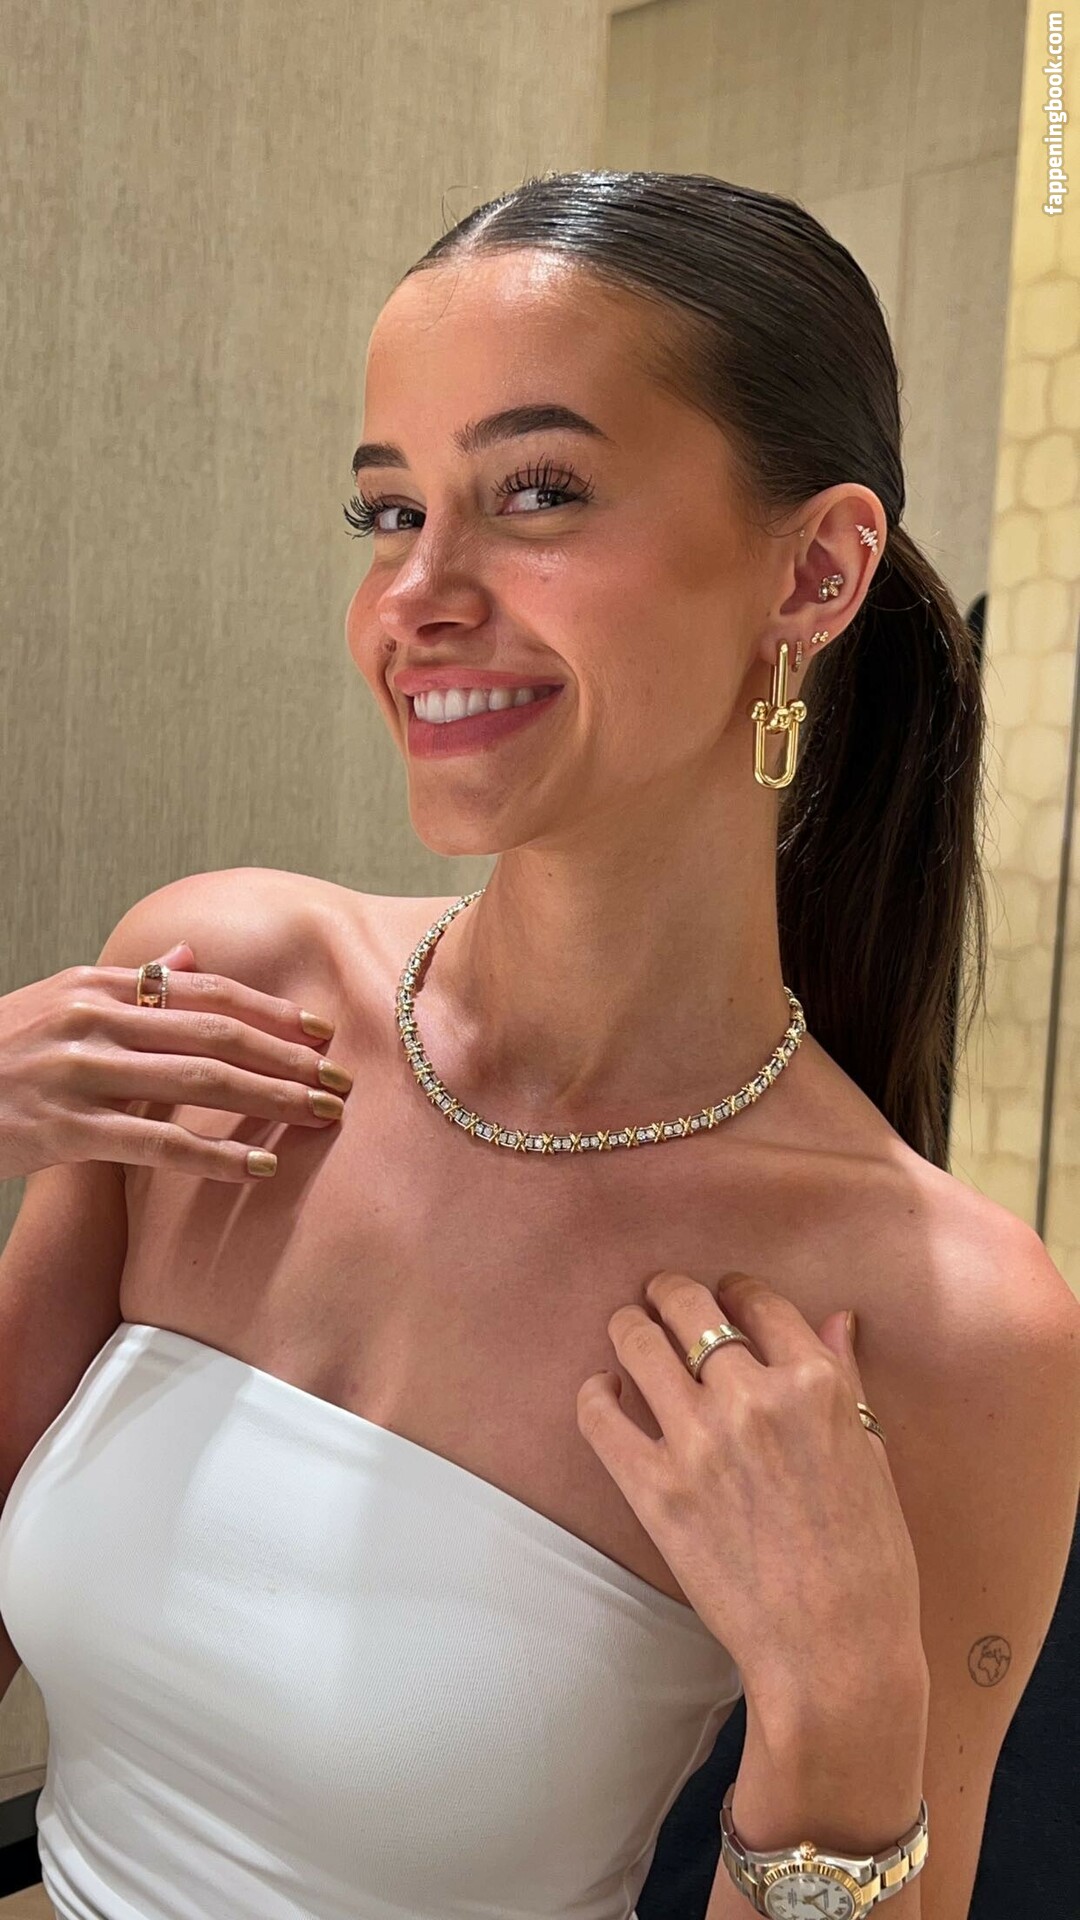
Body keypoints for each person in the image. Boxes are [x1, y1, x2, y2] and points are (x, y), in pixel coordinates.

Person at [0, 170, 1076, 1920]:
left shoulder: (944, 1320)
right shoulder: (221, 996)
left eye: (540, 494)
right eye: (387, 511)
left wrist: (843, 1723)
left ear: (817, 569)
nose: (416, 595)